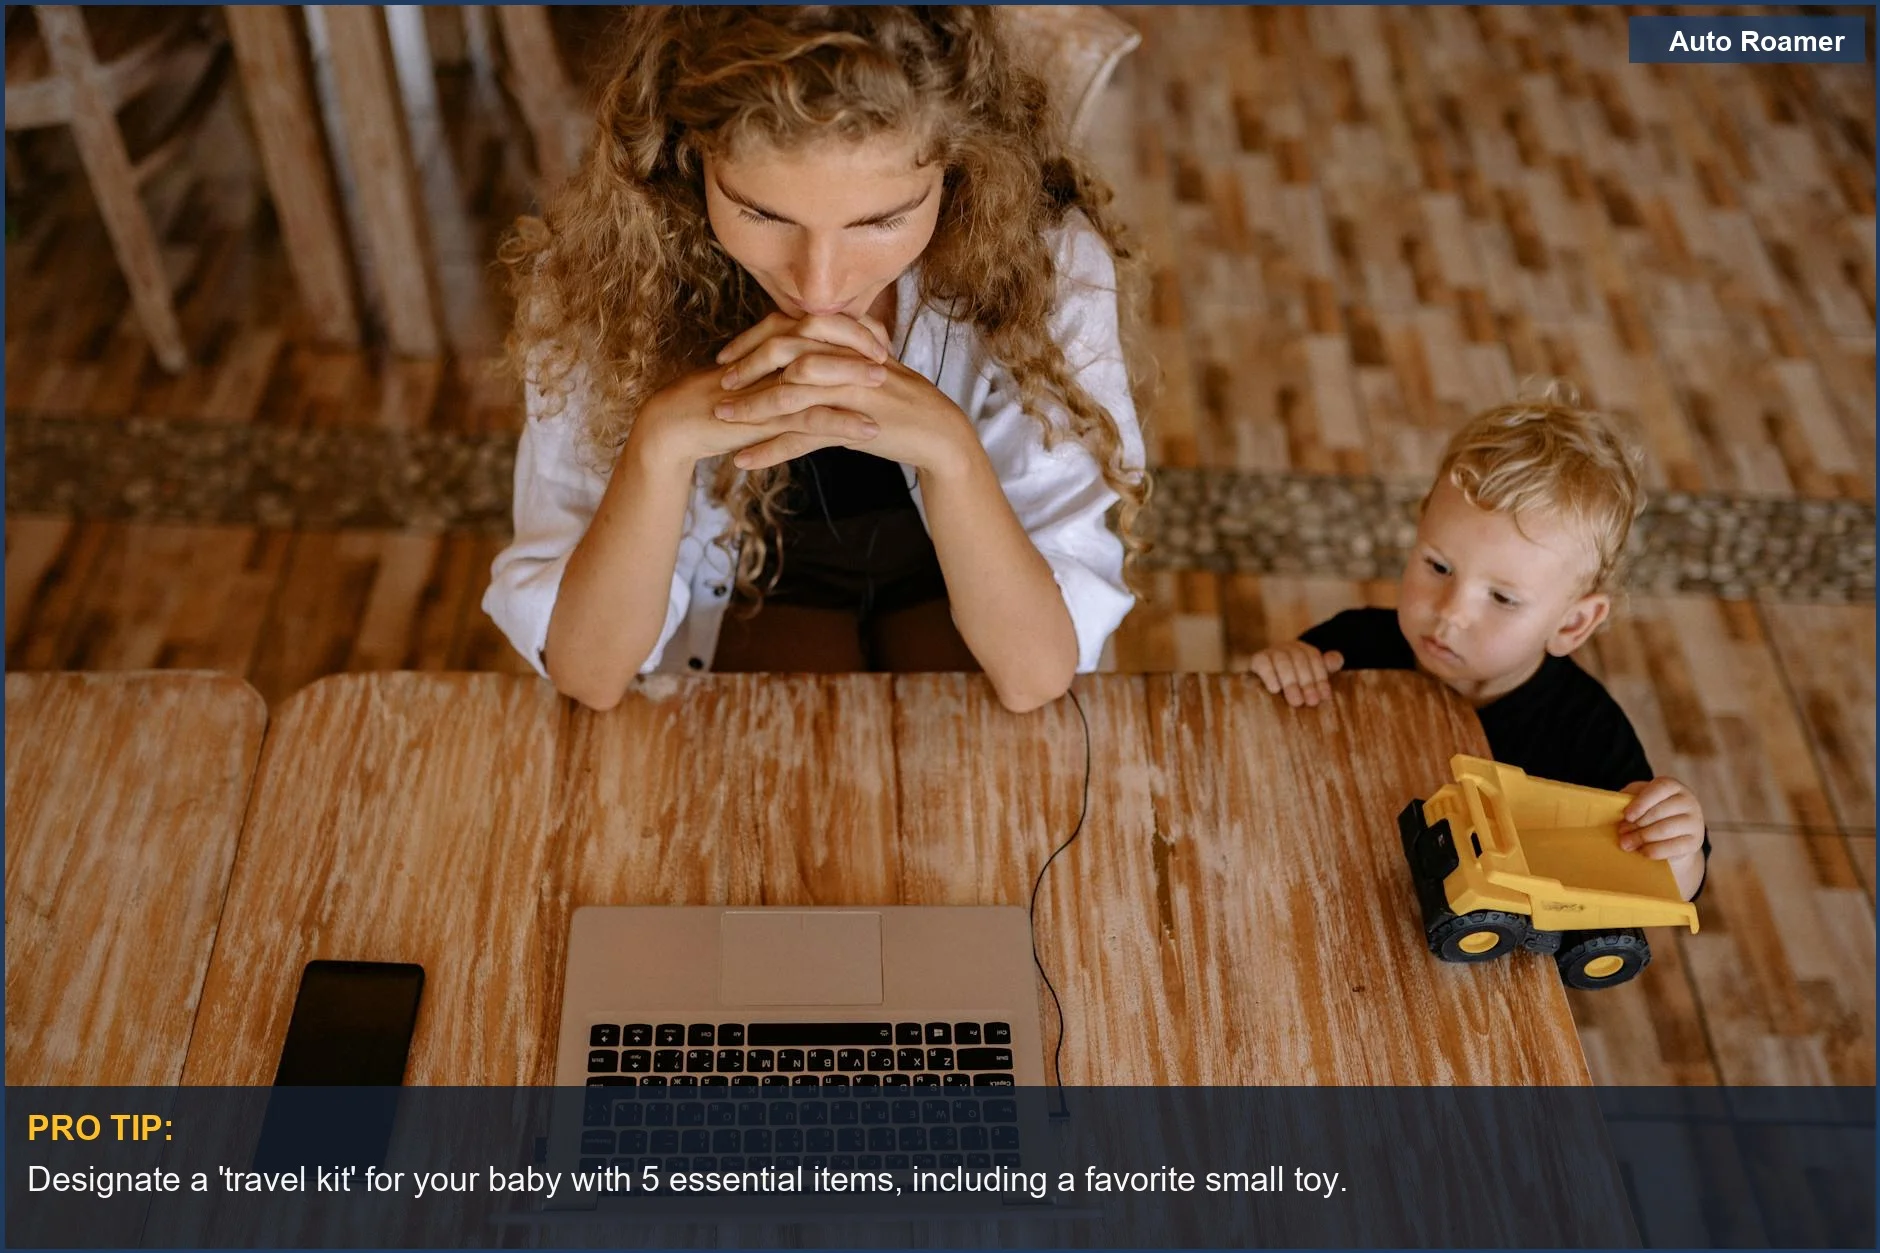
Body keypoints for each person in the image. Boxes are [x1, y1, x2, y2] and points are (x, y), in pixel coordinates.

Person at [483, 6, 1148, 714]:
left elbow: (1035, 672)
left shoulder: (1052, 269)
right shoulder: (600, 276)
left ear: (960, 165)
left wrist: (951, 452)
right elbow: (590, 671)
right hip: (755, 589)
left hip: (969, 591)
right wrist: (659, 446)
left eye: (881, 221)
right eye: (763, 214)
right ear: (687, 151)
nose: (820, 288)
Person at [1248, 392, 1709, 900]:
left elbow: (1662, 887)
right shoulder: (1354, 643)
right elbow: (1269, 727)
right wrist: (1284, 666)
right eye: (1438, 567)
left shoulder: (1586, 731)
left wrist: (1677, 848)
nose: (1451, 612)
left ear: (1573, 624)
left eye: (1503, 598)